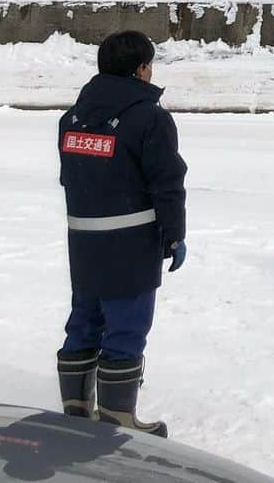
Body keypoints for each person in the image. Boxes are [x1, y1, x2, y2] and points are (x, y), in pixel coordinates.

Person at [56, 31, 187, 436]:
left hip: (84, 242)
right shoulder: (151, 118)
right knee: (126, 326)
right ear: (141, 69)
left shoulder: (72, 117)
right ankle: (118, 419)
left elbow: (71, 179)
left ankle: (76, 410)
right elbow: (167, 182)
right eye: (150, 64)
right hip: (130, 245)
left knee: (84, 319)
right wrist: (174, 235)